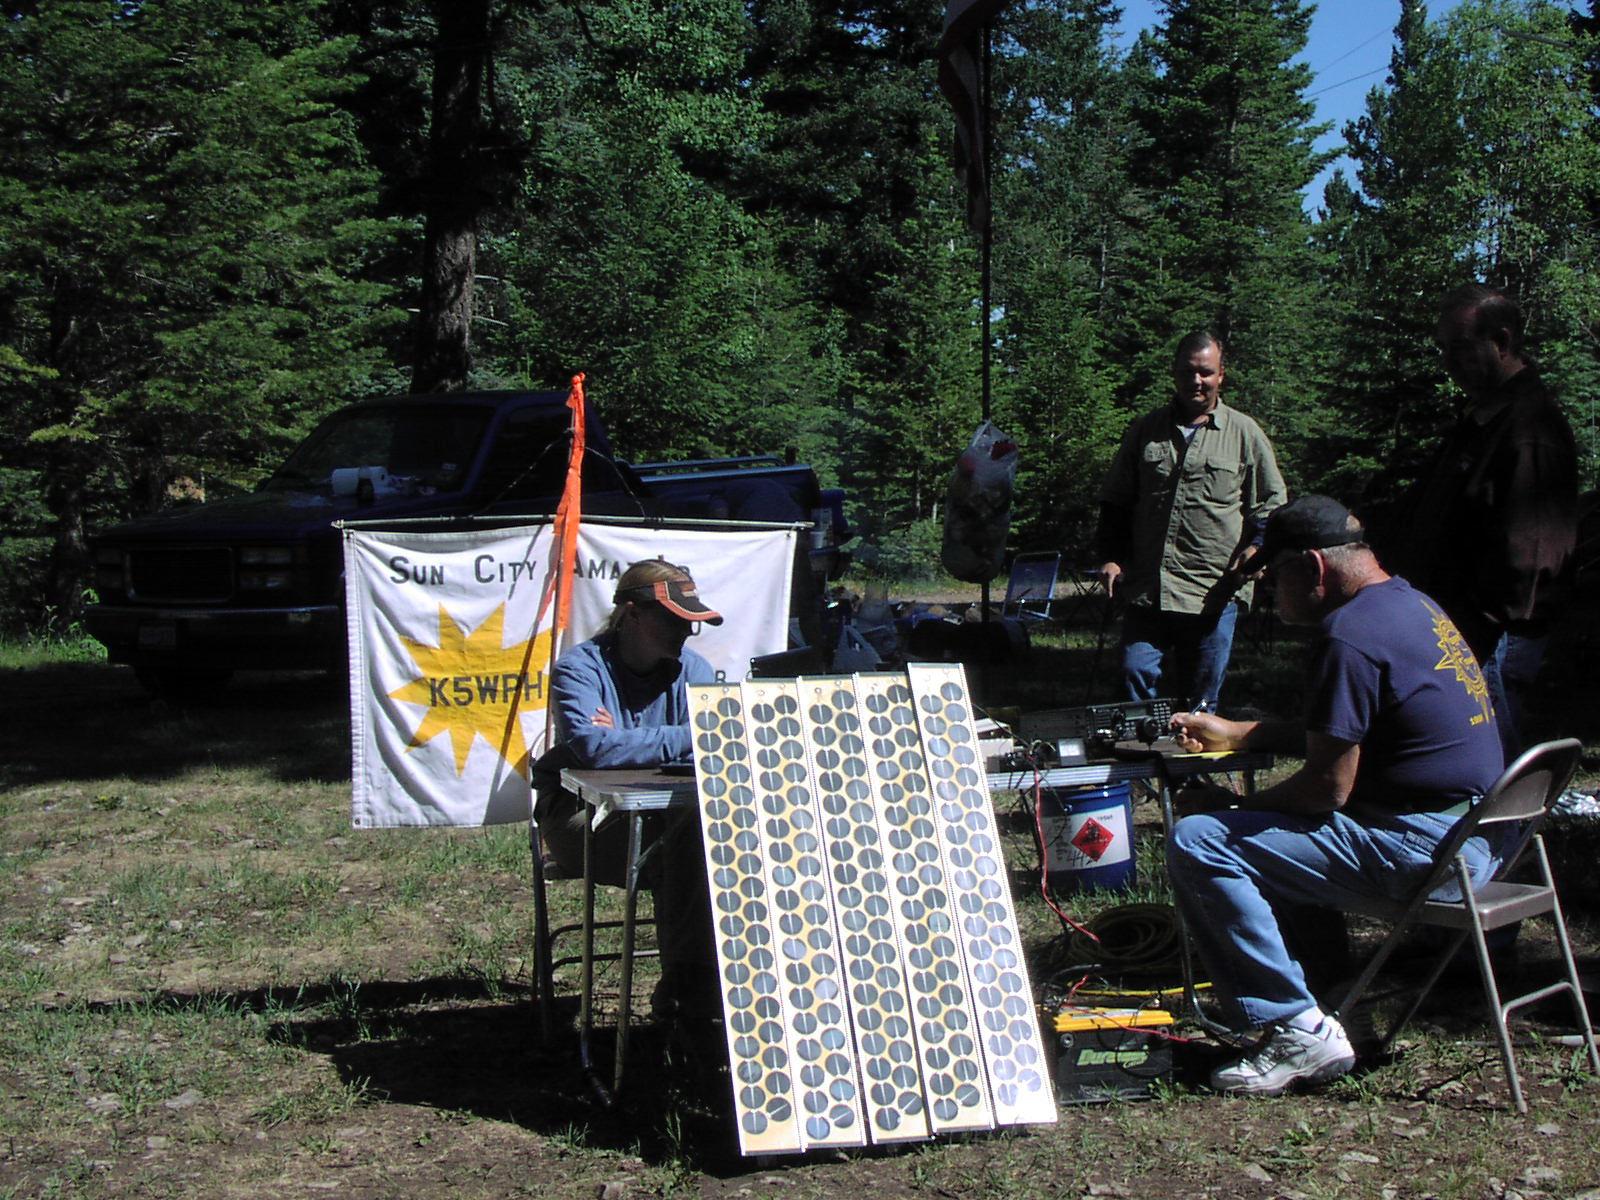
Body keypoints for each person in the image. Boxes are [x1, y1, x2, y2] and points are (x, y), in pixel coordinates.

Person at [1165, 495, 1505, 1097]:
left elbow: (1327, 789)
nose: (1269, 590)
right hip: (1480, 836)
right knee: (1272, 838)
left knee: (1203, 840)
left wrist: (1233, 809)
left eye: (1273, 575)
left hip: (1425, 851)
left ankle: (1295, 1027)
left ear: (1312, 566)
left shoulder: (1348, 636)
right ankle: (1335, 999)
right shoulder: (1409, 605)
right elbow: (1353, 731)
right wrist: (1241, 732)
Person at [1390, 283, 1578, 761]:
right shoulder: (1483, 419)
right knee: (1469, 765)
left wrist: (1481, 626)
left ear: (1502, 341)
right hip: (1460, 631)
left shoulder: (1529, 427)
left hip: (1496, 642)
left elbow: (1532, 553)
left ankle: (1505, 816)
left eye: (1460, 347)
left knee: (1495, 768)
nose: (1448, 362)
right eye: (1442, 348)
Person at [1096, 331, 1287, 709]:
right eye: (1187, 372)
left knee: (1200, 700)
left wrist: (1256, 550)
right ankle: (1140, 748)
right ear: (1174, 373)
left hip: (1213, 591)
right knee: (1134, 675)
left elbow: (1271, 503)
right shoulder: (1146, 431)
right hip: (1149, 589)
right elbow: (1116, 501)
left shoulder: (1244, 433)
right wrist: (1111, 557)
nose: (1196, 381)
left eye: (1205, 372)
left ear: (1221, 375)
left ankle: (1191, 749)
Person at [533, 557, 723, 878]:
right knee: (687, 845)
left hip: (667, 810)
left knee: (700, 839)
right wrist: (691, 733)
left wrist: (620, 739)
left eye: (690, 621)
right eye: (674, 620)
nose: (687, 630)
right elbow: (595, 749)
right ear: (633, 614)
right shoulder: (578, 669)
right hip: (580, 812)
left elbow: (712, 751)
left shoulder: (695, 670)